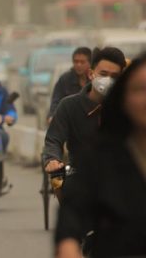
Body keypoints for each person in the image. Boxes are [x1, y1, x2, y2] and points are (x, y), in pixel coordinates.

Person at [55, 53, 146, 258]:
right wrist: (68, 247)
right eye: (139, 90)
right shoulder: (99, 156)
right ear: (124, 97)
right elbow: (71, 217)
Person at [43, 47, 126, 174]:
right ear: (91, 74)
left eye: (114, 76)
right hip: (80, 175)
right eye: (103, 74)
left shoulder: (131, 108)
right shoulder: (69, 106)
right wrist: (52, 159)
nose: (108, 80)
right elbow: (53, 139)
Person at [48, 47, 92, 120]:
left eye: (82, 62)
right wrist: (52, 116)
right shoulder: (64, 80)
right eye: (76, 61)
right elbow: (56, 101)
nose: (78, 65)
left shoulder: (95, 80)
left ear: (90, 63)